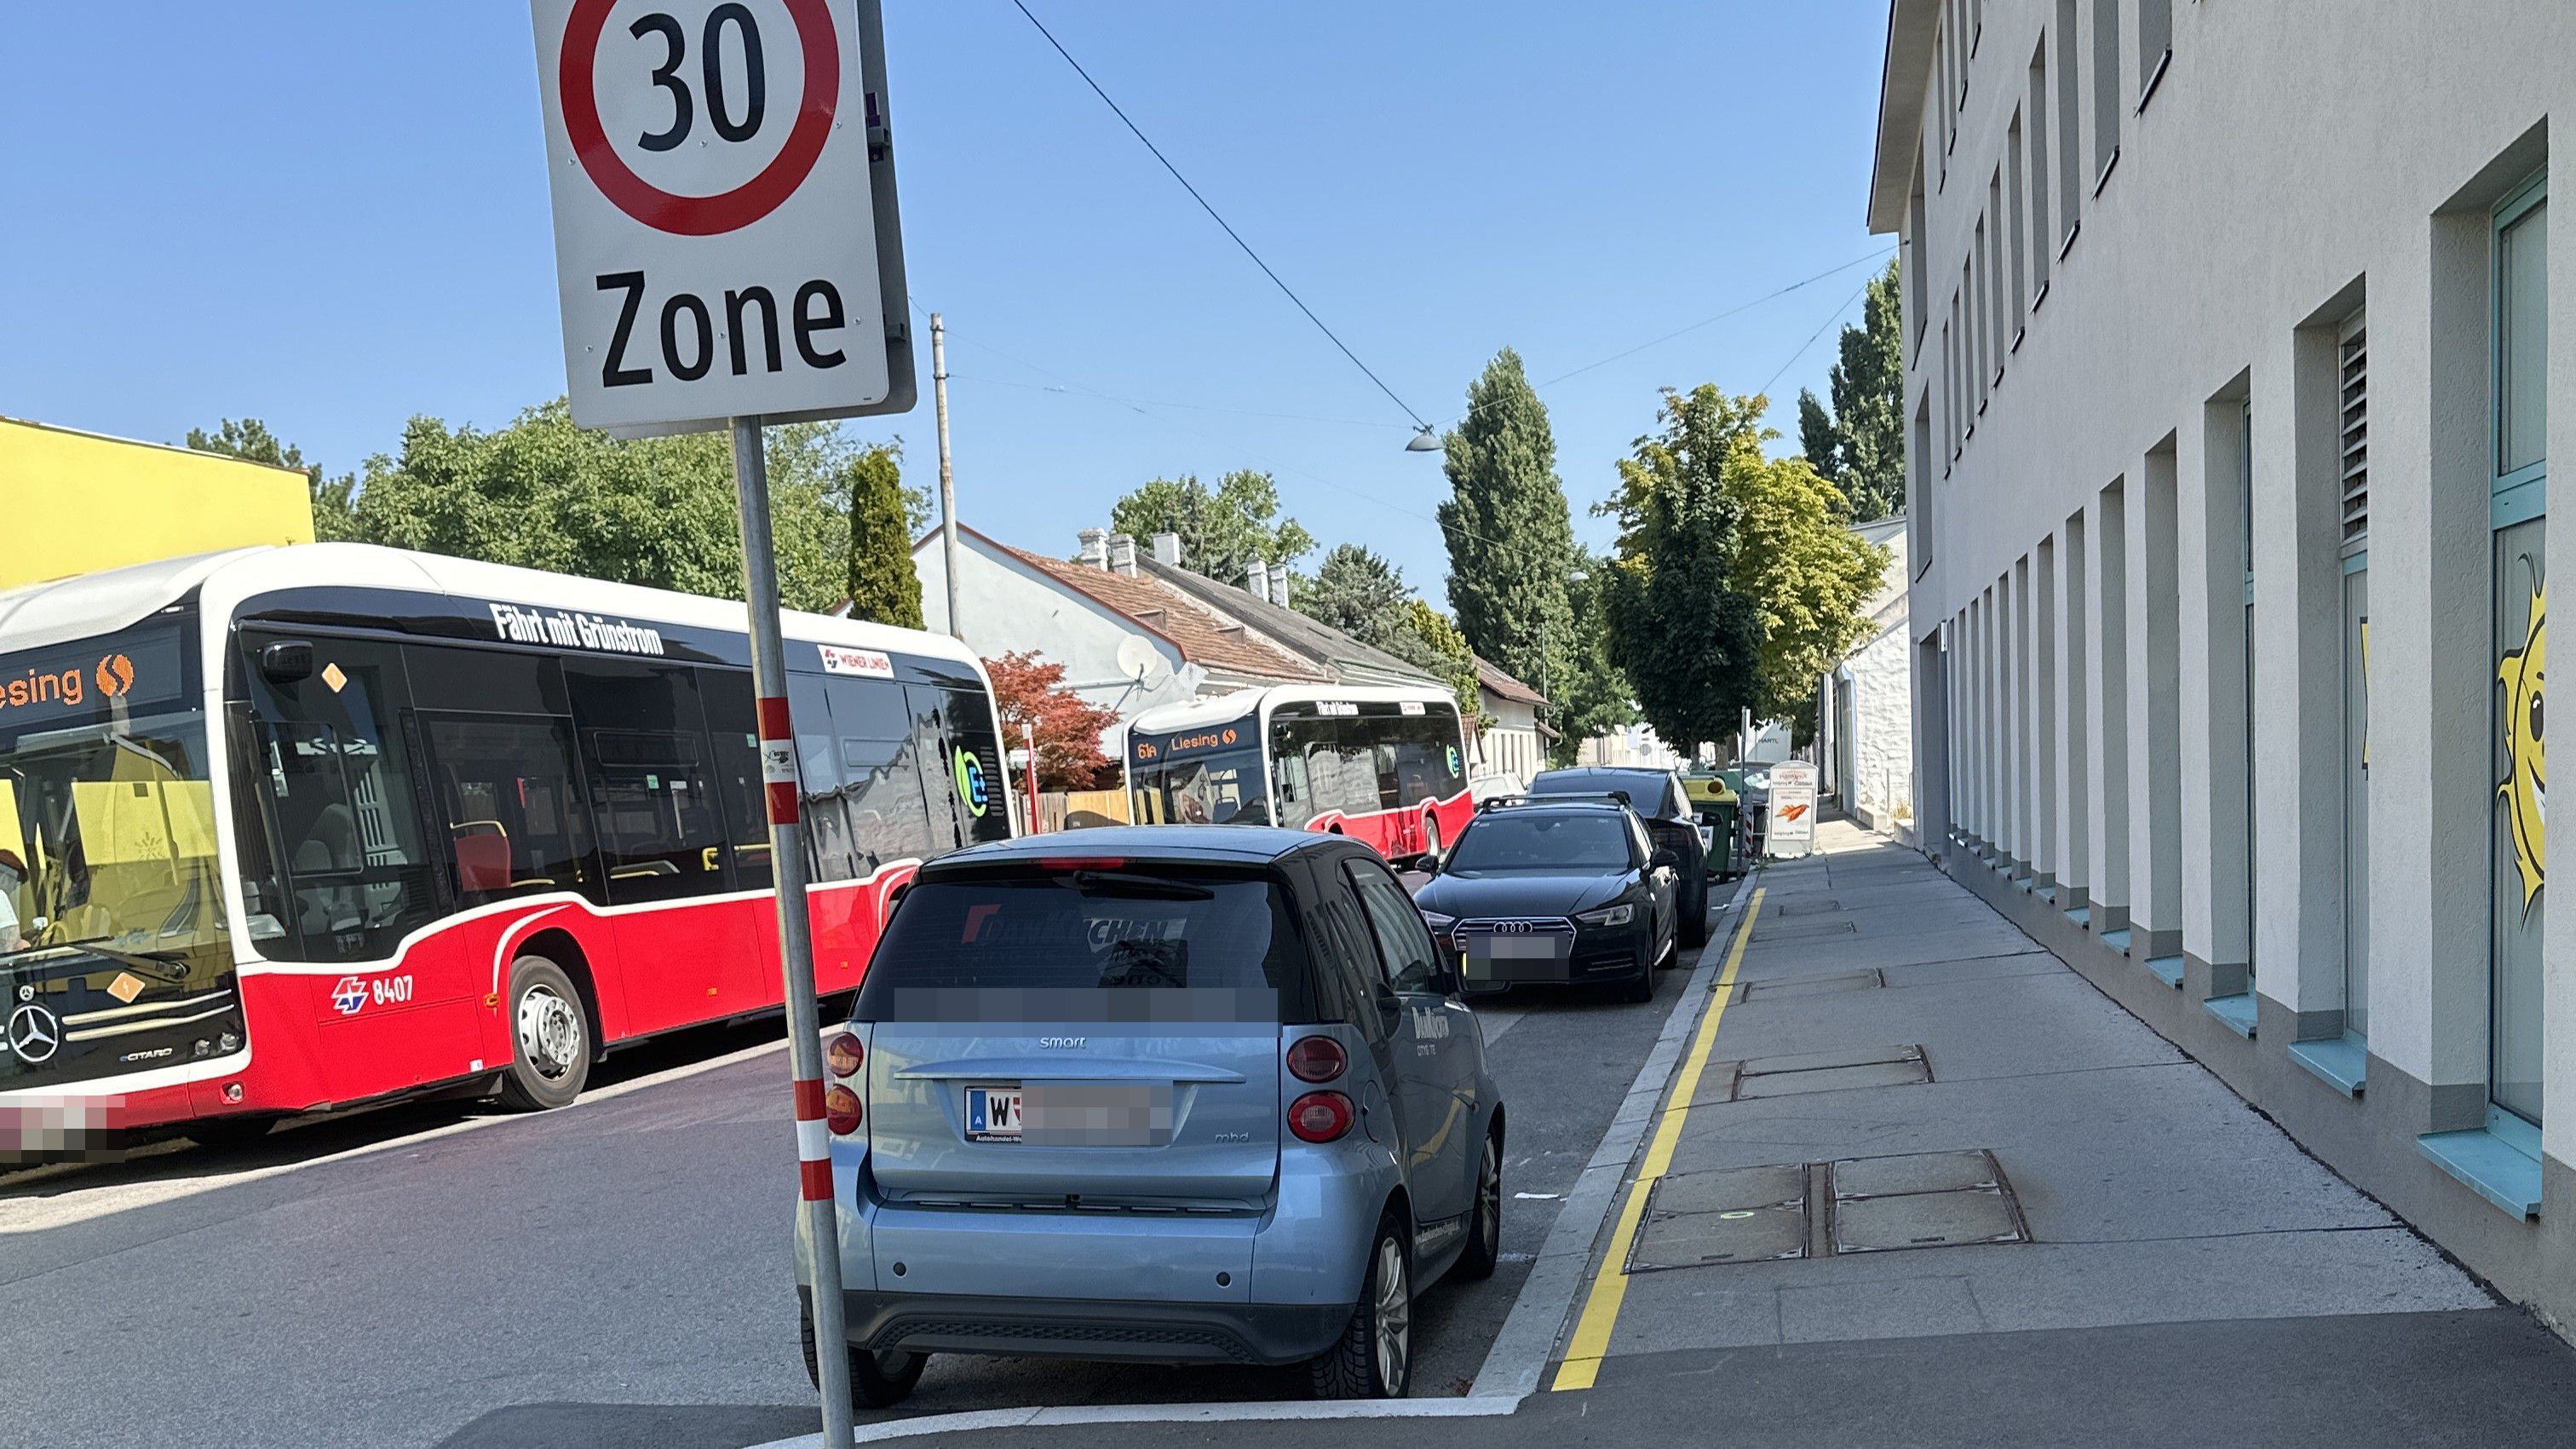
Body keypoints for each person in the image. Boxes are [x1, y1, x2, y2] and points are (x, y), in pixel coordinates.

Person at [0, 848, 27, 952]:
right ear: (4, 877)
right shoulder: (1, 897)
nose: (13, 890)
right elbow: (11, 945)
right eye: (15, 884)